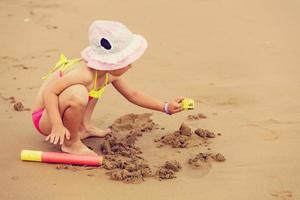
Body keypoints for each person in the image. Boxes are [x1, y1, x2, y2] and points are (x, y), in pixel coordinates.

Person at [32, 20, 184, 156]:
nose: (130, 65)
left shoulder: (107, 73)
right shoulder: (83, 74)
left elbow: (133, 94)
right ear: (110, 61)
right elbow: (50, 92)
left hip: (60, 110)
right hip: (46, 118)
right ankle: (71, 143)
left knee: (96, 85)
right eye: (126, 61)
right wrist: (57, 125)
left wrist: (165, 107)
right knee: (78, 94)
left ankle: (84, 126)